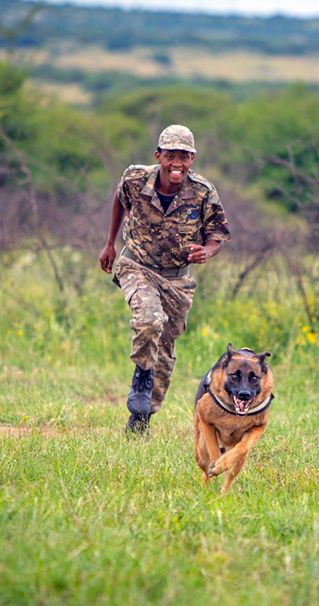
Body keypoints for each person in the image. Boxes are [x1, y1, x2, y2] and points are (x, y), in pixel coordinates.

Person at [99, 124, 231, 433]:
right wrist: (110, 243)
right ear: (158, 155)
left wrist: (207, 253)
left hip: (177, 280)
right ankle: (141, 379)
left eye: (184, 157)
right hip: (137, 265)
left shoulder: (203, 192)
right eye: (170, 155)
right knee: (149, 320)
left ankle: (142, 416)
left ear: (192, 159)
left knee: (165, 348)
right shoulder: (135, 178)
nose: (177, 163)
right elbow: (120, 200)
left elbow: (218, 235)